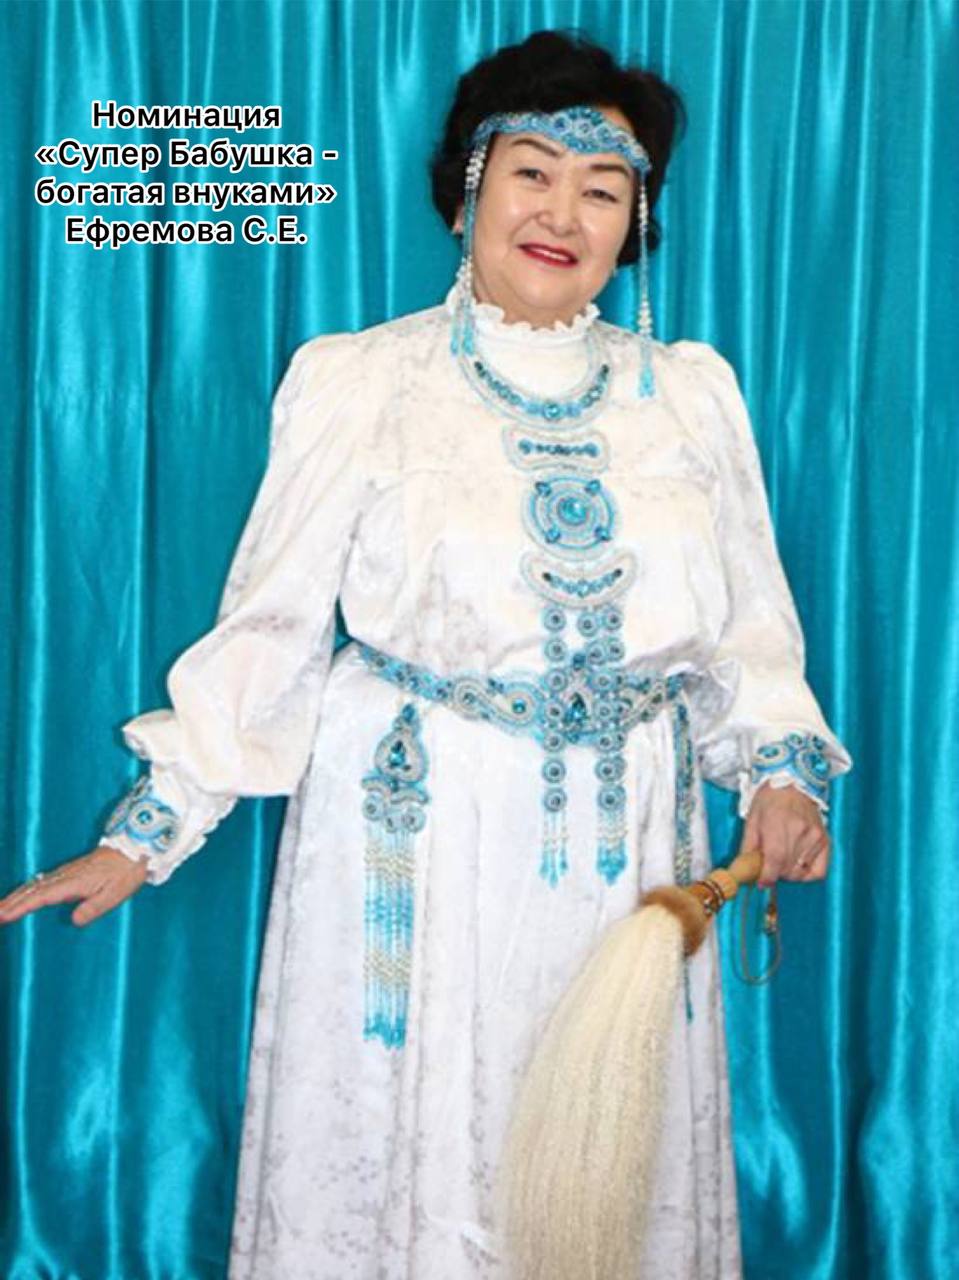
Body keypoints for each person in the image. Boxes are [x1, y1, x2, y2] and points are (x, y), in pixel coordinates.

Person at [0, 29, 851, 1280]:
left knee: (600, 1179)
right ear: (466, 190)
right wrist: (151, 826)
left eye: (601, 189)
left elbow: (747, 632)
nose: (560, 213)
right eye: (530, 173)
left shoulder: (688, 395)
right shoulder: (362, 380)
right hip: (415, 841)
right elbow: (272, 625)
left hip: (629, 850)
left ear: (634, 222)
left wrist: (779, 773)